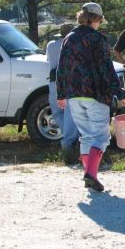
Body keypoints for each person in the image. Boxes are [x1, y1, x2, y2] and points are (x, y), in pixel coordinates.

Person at [57, 2, 125, 192]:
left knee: (86, 136)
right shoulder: (98, 39)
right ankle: (91, 174)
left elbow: (61, 67)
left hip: (74, 95)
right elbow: (107, 69)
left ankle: (89, 174)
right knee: (101, 136)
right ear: (96, 19)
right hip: (95, 94)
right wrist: (119, 93)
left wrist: (61, 94)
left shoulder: (69, 38)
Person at [46, 23, 79, 164]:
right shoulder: (73, 44)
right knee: (69, 114)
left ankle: (67, 140)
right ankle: (69, 140)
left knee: (56, 112)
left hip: (53, 81)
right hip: (68, 82)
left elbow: (49, 60)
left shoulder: (50, 45)